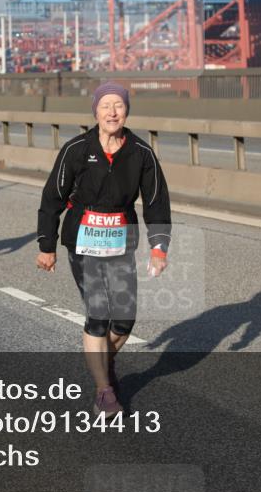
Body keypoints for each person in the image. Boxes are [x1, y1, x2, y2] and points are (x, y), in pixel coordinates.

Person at [36, 82, 171, 416]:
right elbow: (52, 198)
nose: (112, 112)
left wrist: (159, 247)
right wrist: (46, 245)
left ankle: (102, 363)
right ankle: (104, 392)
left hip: (121, 242)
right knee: (98, 316)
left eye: (119, 106)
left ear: (127, 111)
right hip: (83, 241)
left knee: (124, 320)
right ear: (95, 111)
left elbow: (156, 202)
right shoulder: (76, 149)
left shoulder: (141, 153)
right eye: (106, 106)